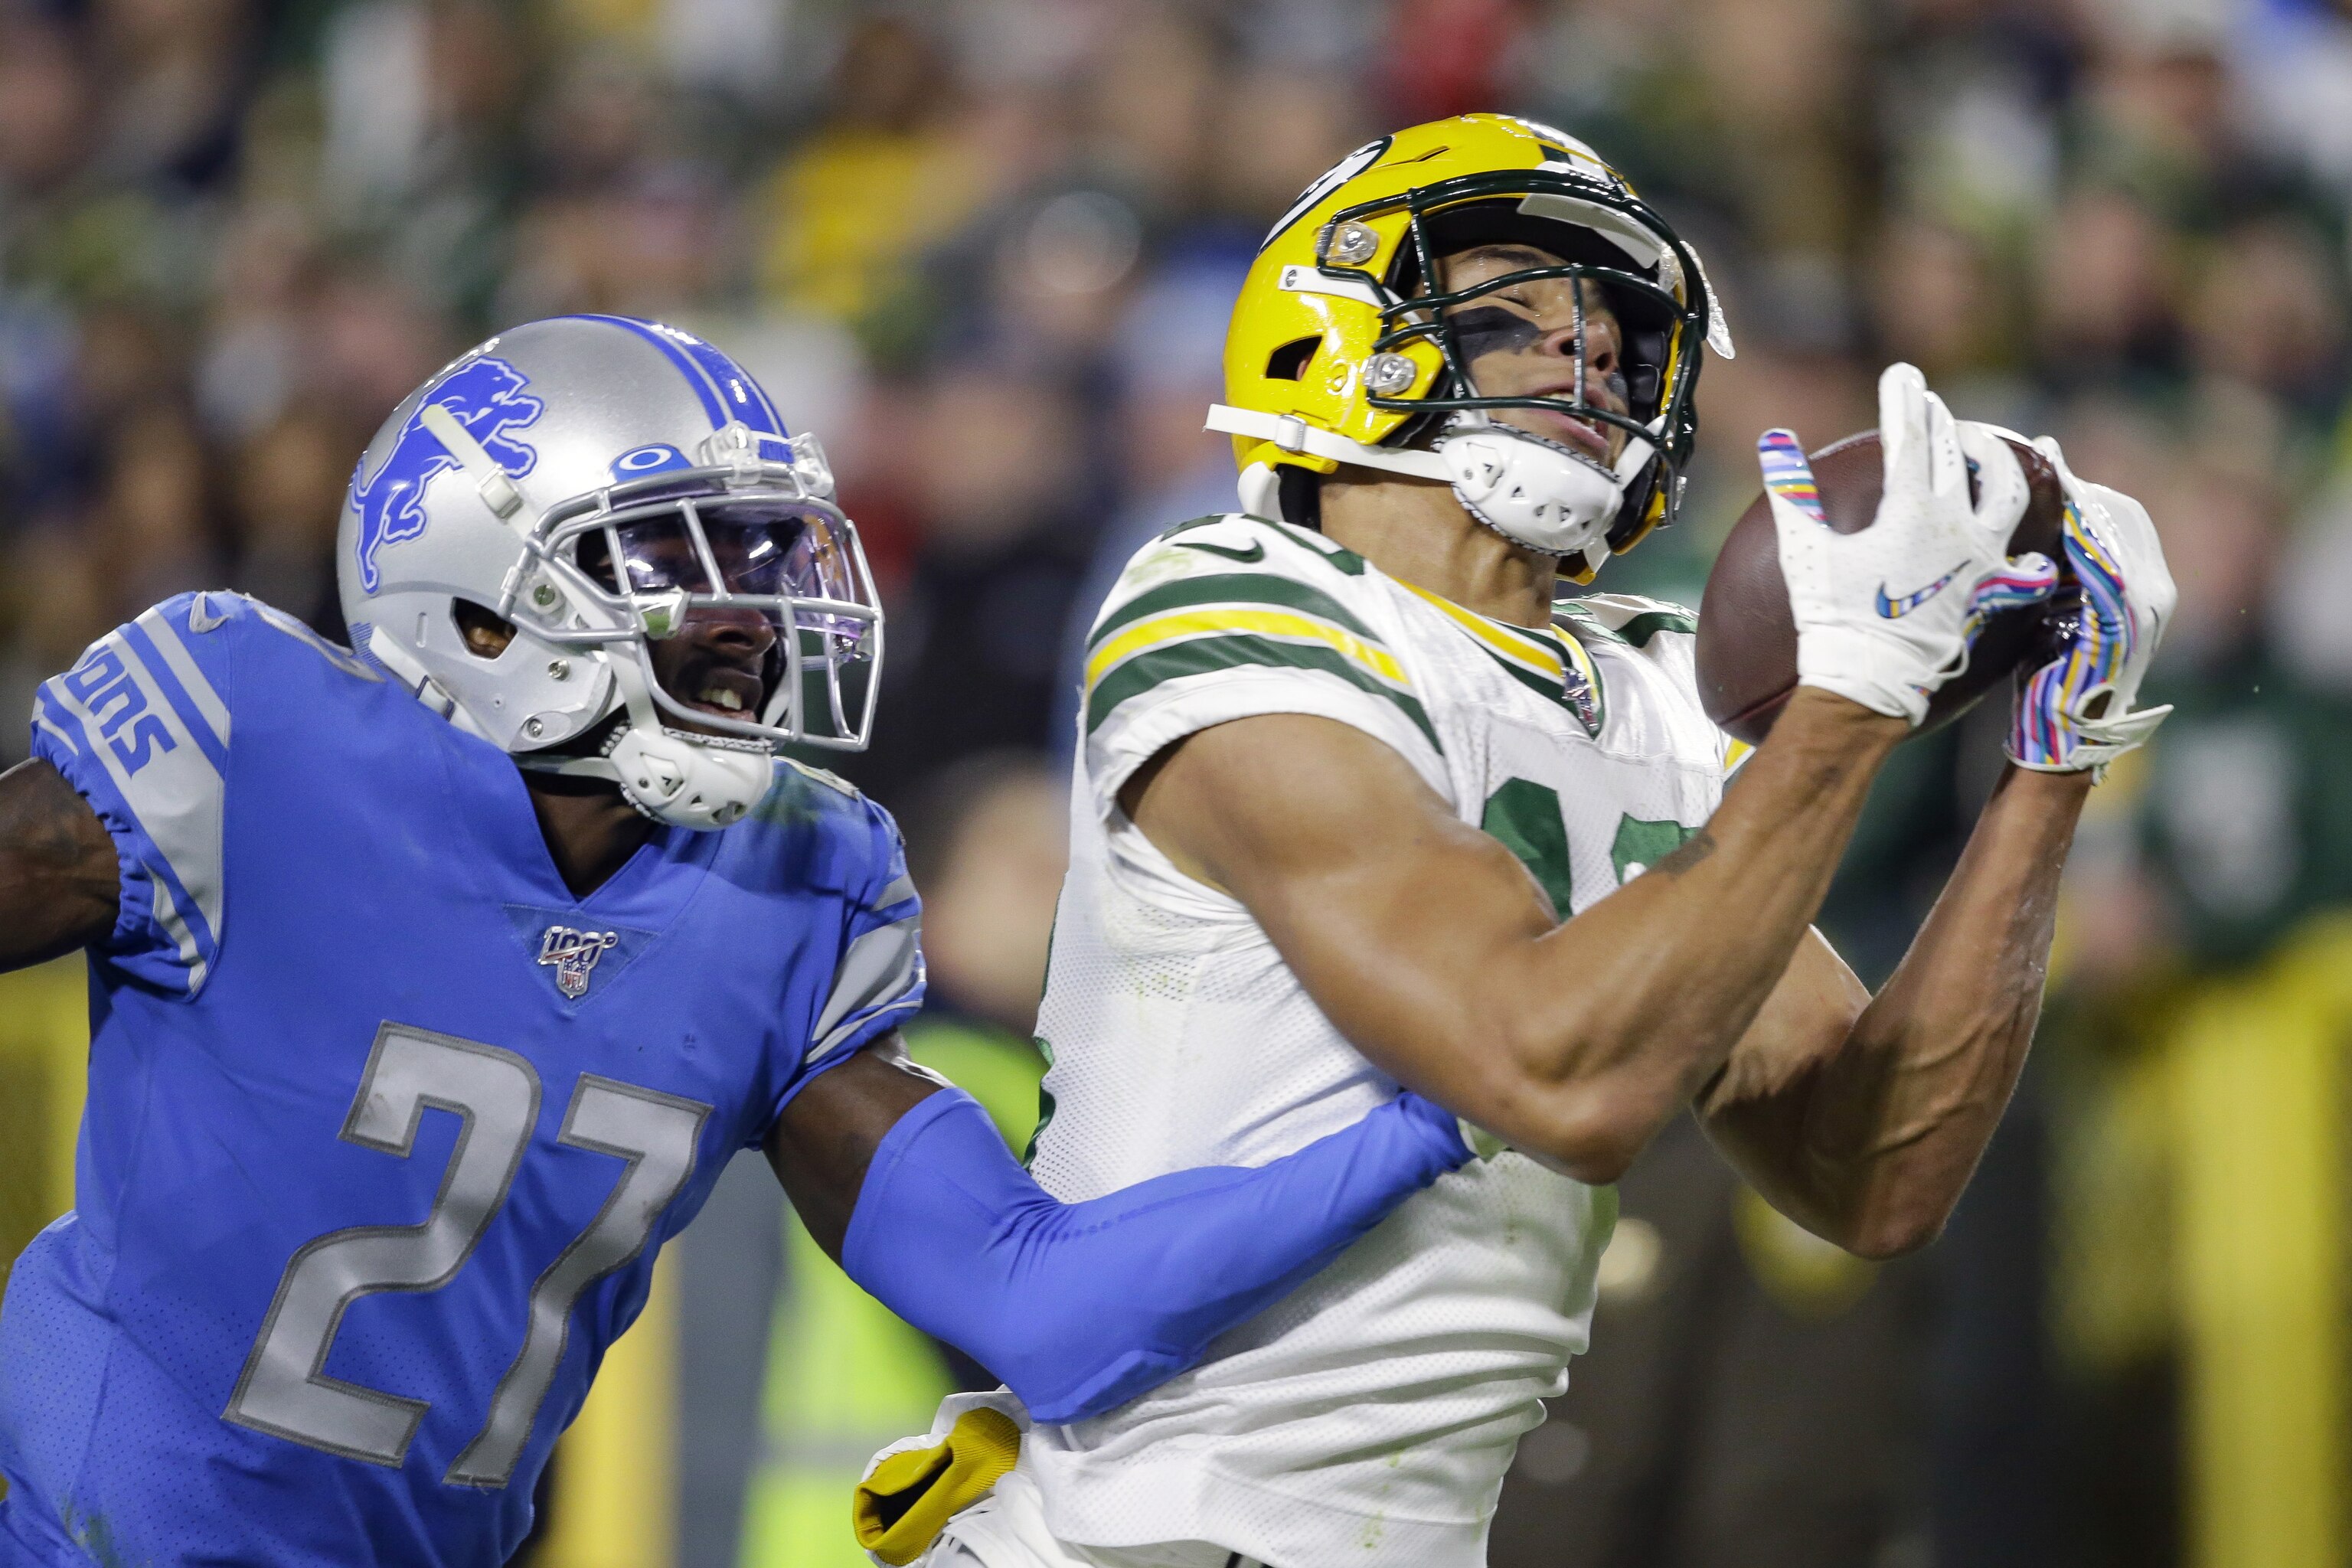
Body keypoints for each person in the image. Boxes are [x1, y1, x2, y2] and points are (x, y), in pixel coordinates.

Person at [864, 114, 2176, 1568]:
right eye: (1513, 316)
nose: (1588, 356)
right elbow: (1553, 1071)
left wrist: (2048, 769)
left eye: (1613, 331)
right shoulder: (1233, 603)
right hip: (1155, 1534)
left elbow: (1871, 1174)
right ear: (1337, 332)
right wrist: (1853, 700)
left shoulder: (1649, 692)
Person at [0, 315, 1478, 1567]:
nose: (758, 614)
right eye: (679, 555)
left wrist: (1438, 1112)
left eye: (776, 549)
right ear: (482, 604)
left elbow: (1036, 1299)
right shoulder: (256, 733)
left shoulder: (786, 885)